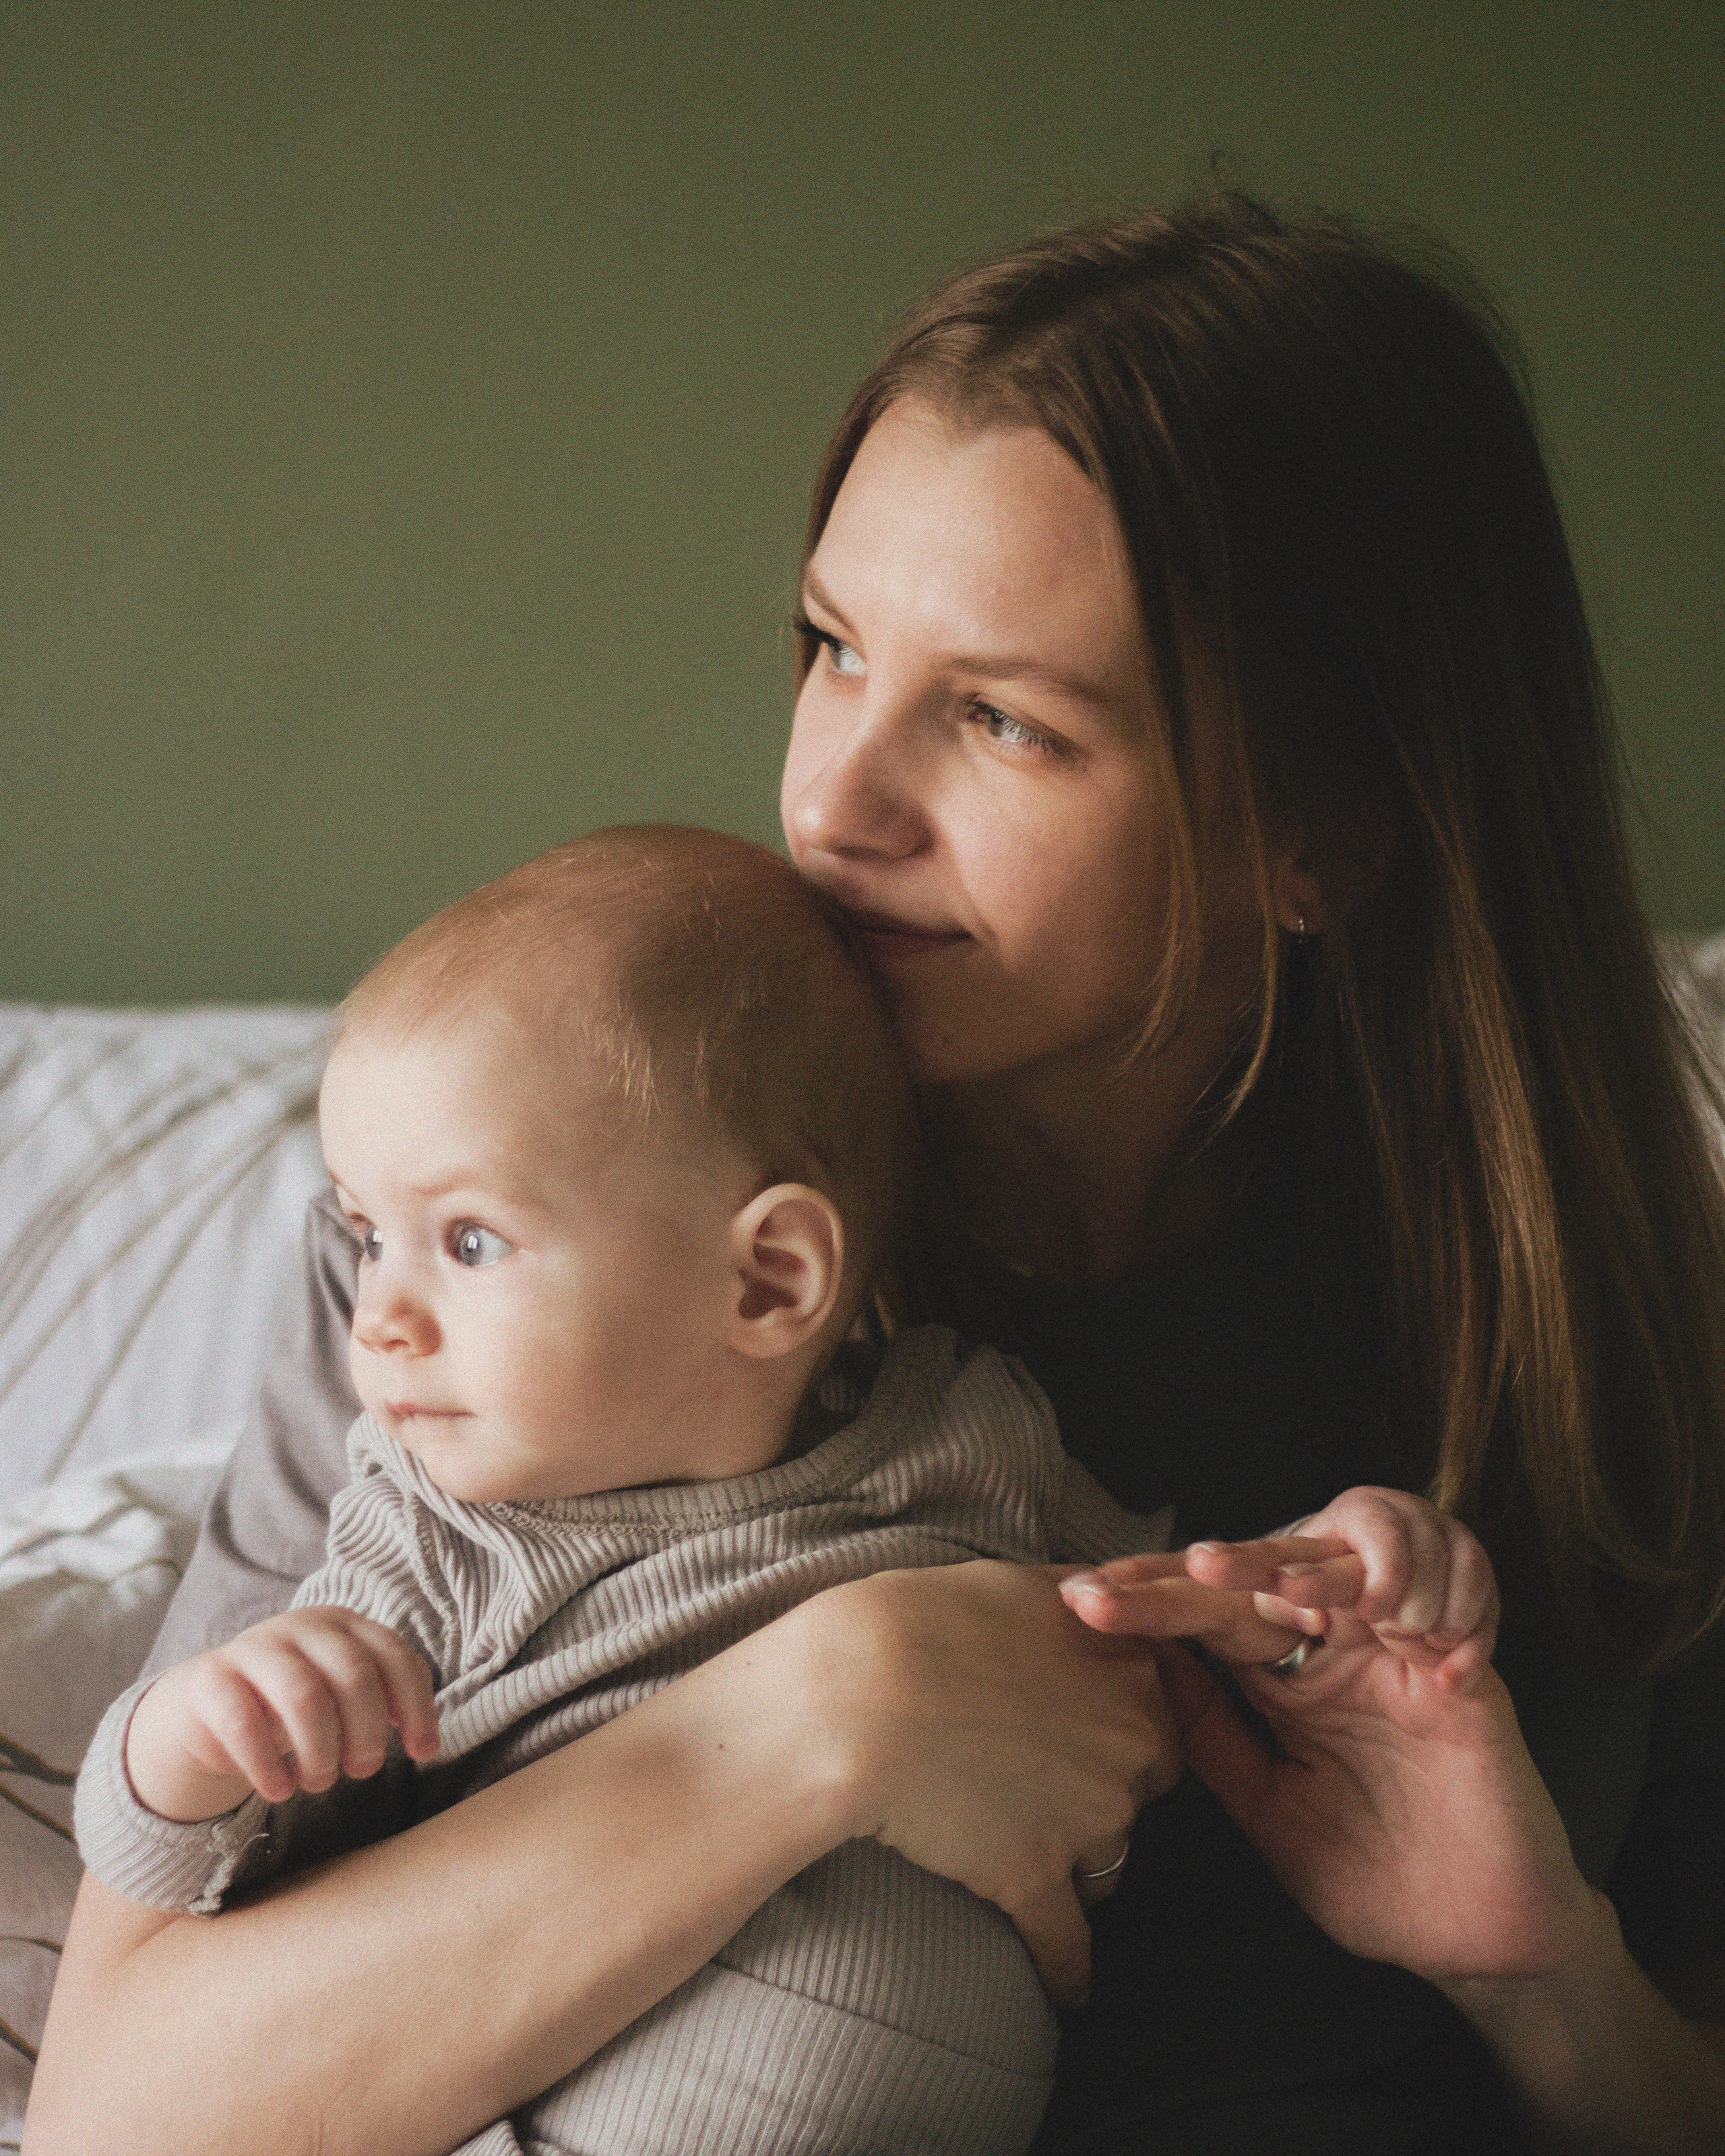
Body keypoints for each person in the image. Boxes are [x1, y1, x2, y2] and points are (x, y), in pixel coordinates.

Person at [26, 194, 1725, 2156]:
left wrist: (1539, 1974)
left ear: (1324, 828)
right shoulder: (532, 1240)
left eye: (1001, 717)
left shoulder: (1579, 1328)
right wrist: (825, 1714)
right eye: (834, 647)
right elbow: (118, 2115)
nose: (833, 801)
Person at [65, 820, 1497, 2155]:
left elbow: (1195, 1621)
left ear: (769, 1278)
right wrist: (191, 1739)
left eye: (471, 1243)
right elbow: (211, 1885)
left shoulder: (961, 1435)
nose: (377, 1312)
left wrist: (1348, 1568)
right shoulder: (429, 1528)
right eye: (366, 1232)